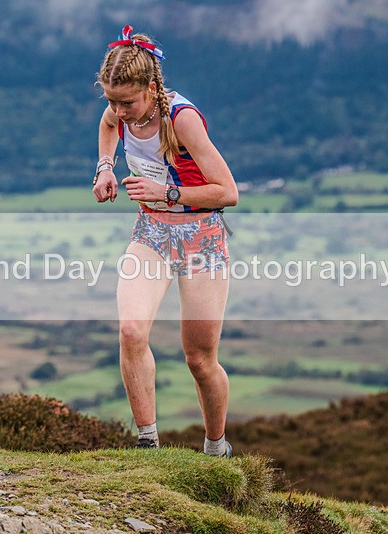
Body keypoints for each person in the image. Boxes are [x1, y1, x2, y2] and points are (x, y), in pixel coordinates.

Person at [92, 26, 238, 457]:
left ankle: (216, 449)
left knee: (199, 359)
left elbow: (227, 192)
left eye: (128, 102)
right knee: (132, 329)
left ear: (152, 88)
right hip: (152, 232)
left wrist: (167, 192)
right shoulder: (118, 112)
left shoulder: (182, 119)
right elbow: (106, 127)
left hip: (202, 238)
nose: (118, 111)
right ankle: (148, 444)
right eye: (111, 100)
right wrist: (104, 167)